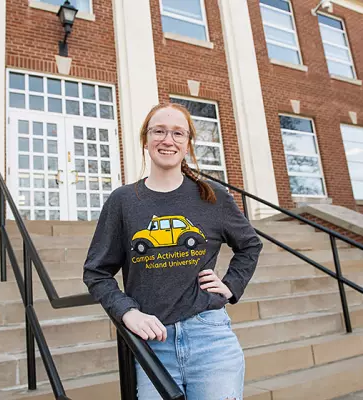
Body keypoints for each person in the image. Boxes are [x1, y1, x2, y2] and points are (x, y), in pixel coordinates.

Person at [83, 102, 262, 399]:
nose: (168, 140)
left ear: (188, 143)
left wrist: (231, 286)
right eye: (159, 131)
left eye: (178, 133)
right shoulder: (124, 201)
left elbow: (250, 244)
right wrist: (126, 311)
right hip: (152, 343)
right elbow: (96, 272)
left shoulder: (213, 197)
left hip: (211, 339)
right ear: (145, 140)